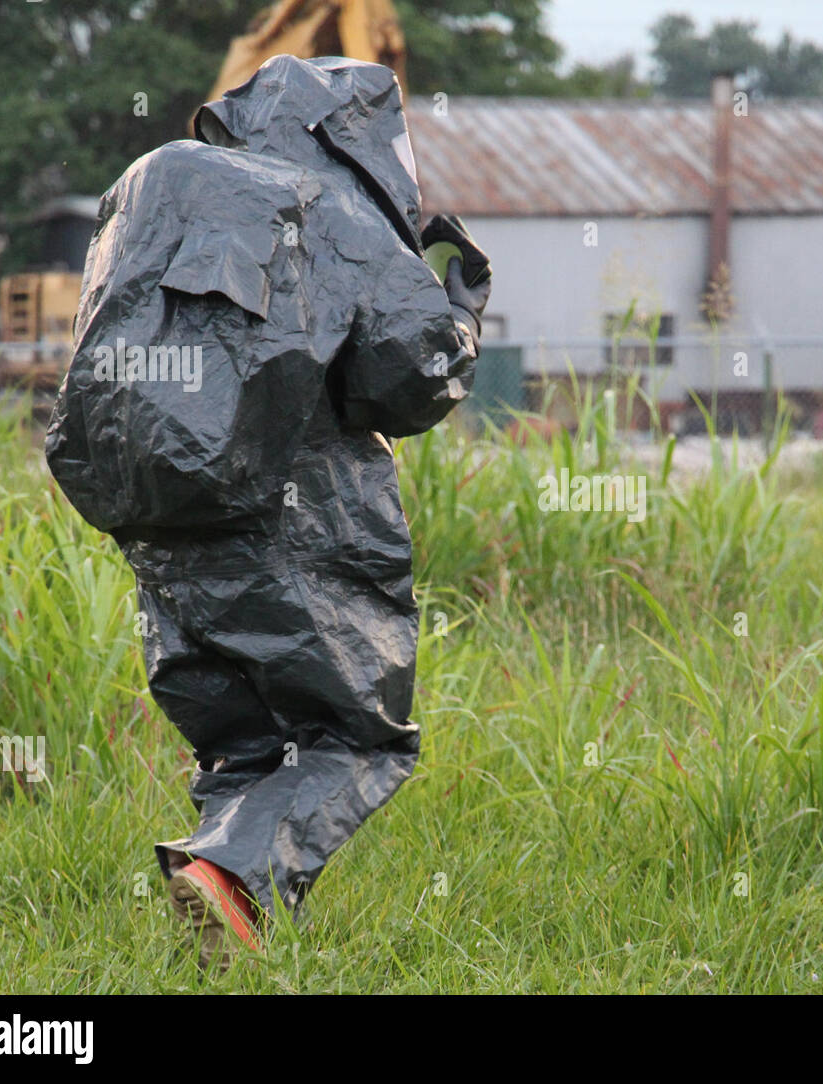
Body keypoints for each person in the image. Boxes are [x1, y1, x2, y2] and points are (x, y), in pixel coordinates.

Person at [44, 55, 491, 972]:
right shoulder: (338, 214)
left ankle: (223, 916)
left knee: (245, 744)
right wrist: (462, 310)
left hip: (158, 522)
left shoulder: (150, 183)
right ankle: (233, 878)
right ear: (357, 137)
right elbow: (408, 382)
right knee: (354, 738)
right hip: (296, 527)